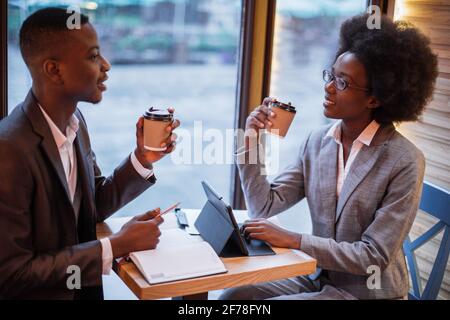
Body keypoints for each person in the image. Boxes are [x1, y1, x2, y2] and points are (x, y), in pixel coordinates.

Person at [221, 13, 438, 300]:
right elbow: (263, 206)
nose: (329, 87)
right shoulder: (318, 142)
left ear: (375, 99)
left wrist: (293, 240)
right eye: (331, 75)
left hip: (366, 292)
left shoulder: (404, 160)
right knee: (234, 296)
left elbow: (372, 257)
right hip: (318, 277)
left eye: (343, 83)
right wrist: (250, 139)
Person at [0, 8, 180, 299]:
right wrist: (115, 246)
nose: (106, 65)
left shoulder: (75, 121)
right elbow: (11, 274)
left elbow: (91, 207)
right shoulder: (8, 150)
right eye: (93, 56)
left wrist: (142, 158)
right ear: (54, 70)